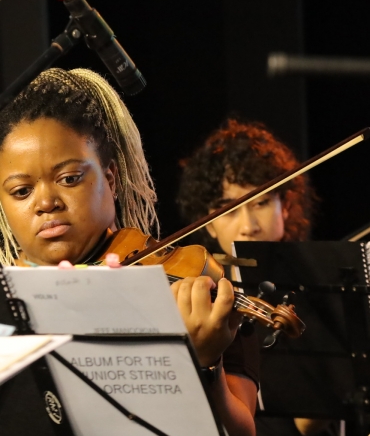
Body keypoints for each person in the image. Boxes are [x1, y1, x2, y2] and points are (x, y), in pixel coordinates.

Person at [0, 68, 257, 436]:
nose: (46, 202)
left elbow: (240, 431)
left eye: (70, 178)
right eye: (21, 191)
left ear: (112, 178)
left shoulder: (195, 290)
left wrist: (204, 362)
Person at [177, 119, 338, 436]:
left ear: (286, 207)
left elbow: (308, 425)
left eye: (261, 203)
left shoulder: (319, 290)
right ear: (209, 224)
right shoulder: (204, 299)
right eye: (230, 210)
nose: (248, 224)